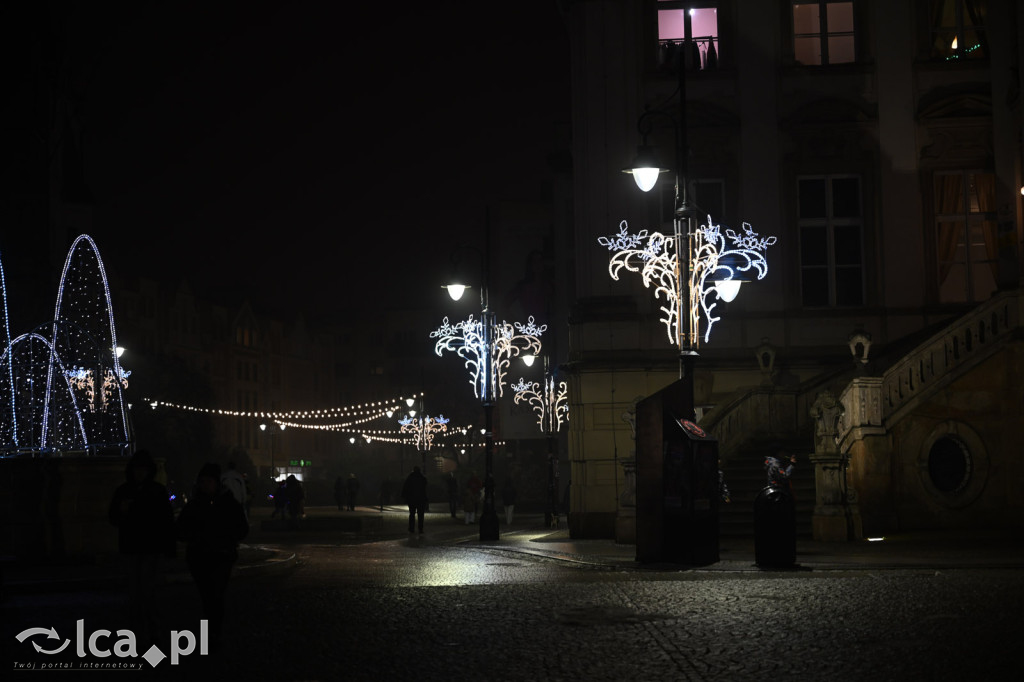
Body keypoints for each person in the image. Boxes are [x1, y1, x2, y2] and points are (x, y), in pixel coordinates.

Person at [176, 462, 249, 652]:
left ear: (216, 482)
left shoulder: (228, 503)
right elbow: (181, 528)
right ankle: (210, 631)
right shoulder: (194, 504)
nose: (205, 485)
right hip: (200, 557)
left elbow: (242, 529)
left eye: (208, 481)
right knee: (207, 596)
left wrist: (226, 538)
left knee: (215, 595)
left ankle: (213, 632)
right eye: (202, 481)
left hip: (221, 556)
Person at [108, 450, 176, 650]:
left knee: (148, 594)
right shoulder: (125, 491)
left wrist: (168, 547)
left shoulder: (155, 491)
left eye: (143, 470)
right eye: (137, 470)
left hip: (149, 548)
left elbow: (166, 521)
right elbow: (112, 518)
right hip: (133, 548)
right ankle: (138, 635)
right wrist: (122, 512)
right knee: (136, 595)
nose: (140, 474)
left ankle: (152, 634)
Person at [401, 466, 429, 534]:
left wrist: (404, 496)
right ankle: (420, 528)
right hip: (420, 499)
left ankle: (411, 528)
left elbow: (405, 487)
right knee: (420, 515)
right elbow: (425, 488)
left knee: (412, 514)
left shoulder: (410, 478)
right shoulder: (422, 478)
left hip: (412, 499)